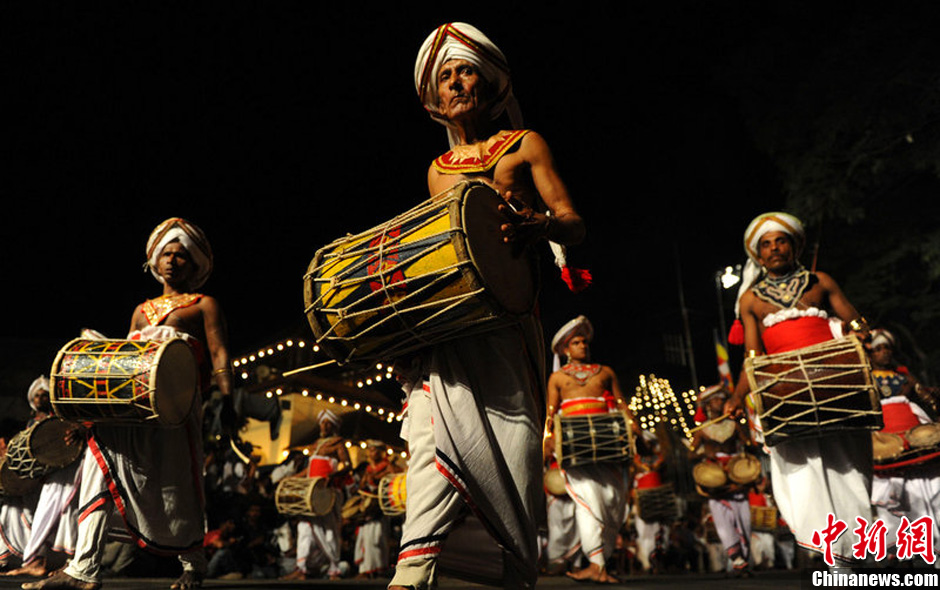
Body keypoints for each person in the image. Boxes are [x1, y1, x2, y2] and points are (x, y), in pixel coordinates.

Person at [389, 22, 586, 590]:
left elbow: (574, 223)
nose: (456, 82)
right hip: (453, 323)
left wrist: (540, 225)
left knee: (516, 440)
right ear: (435, 97)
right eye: (445, 75)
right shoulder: (436, 170)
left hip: (509, 318)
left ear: (491, 81)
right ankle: (414, 568)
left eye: (466, 69)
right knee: (432, 434)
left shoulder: (526, 144)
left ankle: (514, 568)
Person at [24, 217, 234, 590]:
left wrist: (227, 400)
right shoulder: (141, 310)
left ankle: (193, 563)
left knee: (177, 482)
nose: (172, 260)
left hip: (177, 406)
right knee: (98, 469)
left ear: (195, 264)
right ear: (155, 262)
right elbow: (124, 363)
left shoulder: (204, 305)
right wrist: (89, 417)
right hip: (133, 405)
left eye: (181, 255)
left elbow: (218, 354)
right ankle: (83, 569)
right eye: (166, 254)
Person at [723, 211, 873, 567]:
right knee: (802, 473)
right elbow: (753, 355)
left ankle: (858, 549)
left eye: (781, 240)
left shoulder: (820, 281)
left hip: (836, 383)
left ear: (794, 245)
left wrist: (860, 331)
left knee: (850, 468)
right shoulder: (751, 300)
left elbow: (855, 319)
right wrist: (736, 395)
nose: (775, 248)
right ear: (758, 256)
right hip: (785, 394)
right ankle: (835, 555)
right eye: (767, 244)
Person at [543, 315, 631, 584]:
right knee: (587, 498)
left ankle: (599, 562)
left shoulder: (605, 372)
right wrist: (547, 438)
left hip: (608, 444)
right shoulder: (557, 377)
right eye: (577, 342)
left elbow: (621, 404)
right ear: (566, 350)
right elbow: (551, 411)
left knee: (613, 501)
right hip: (573, 446)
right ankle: (596, 564)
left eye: (584, 341)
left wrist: (635, 429)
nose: (583, 345)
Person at [868, 328, 940, 559]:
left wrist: (929, 394)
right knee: (888, 487)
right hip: (884, 433)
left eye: (887, 348)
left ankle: (924, 537)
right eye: (878, 349)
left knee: (922, 479)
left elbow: (922, 394)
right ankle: (891, 545)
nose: (884, 353)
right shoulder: (865, 376)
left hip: (910, 428)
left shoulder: (904, 376)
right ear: (870, 354)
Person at [2, 377, 82, 579]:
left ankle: (50, 562)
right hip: (35, 479)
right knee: (10, 506)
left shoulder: (61, 421)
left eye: (44, 394)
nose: (40, 398)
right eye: (37, 395)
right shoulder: (30, 423)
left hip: (58, 476)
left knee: (60, 511)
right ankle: (32, 559)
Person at [690, 385, 753, 576]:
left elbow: (748, 445)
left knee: (745, 522)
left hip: (736, 476)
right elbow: (690, 455)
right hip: (715, 480)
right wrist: (702, 453)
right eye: (716, 400)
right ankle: (737, 560)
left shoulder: (734, 425)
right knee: (723, 523)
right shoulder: (701, 431)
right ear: (708, 405)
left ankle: (742, 557)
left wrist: (749, 449)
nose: (720, 403)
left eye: (721, 399)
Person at [281, 409, 349, 581]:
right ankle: (302, 568)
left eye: (328, 423)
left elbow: (348, 466)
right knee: (304, 528)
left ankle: (334, 569)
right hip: (310, 493)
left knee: (329, 530)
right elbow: (308, 470)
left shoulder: (338, 444)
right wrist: (291, 478)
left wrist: (331, 477)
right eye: (322, 422)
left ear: (333, 426)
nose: (324, 426)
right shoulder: (315, 445)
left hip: (327, 493)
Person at [353, 440, 398, 579]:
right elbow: (361, 487)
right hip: (368, 507)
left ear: (381, 452)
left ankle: (378, 569)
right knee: (365, 538)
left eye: (375, 450)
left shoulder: (388, 466)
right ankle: (366, 569)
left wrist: (378, 478)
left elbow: (392, 481)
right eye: (371, 450)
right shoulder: (368, 469)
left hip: (380, 507)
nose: (372, 453)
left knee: (377, 539)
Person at [631, 432, 668, 574]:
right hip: (641, 499)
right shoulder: (636, 460)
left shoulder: (660, 459)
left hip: (658, 498)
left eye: (649, 443)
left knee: (659, 530)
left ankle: (657, 559)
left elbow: (661, 466)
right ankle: (646, 561)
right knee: (643, 531)